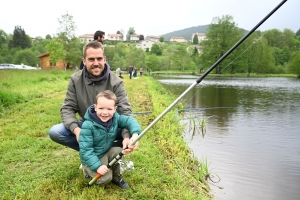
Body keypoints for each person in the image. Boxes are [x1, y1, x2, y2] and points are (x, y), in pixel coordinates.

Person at [49, 41, 136, 166]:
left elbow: (125, 112)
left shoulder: (116, 82)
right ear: (84, 61)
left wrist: (127, 136)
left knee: (132, 132)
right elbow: (67, 108)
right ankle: (91, 154)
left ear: (104, 59)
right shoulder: (75, 80)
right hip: (87, 127)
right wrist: (77, 131)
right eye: (91, 59)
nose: (96, 63)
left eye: (99, 59)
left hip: (112, 127)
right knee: (55, 132)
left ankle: (108, 154)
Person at [79, 90, 141, 188]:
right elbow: (86, 150)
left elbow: (129, 120)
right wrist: (97, 166)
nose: (105, 112)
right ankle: (87, 170)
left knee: (119, 151)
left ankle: (116, 177)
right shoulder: (88, 125)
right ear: (95, 108)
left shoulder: (115, 118)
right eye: (101, 108)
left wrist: (135, 134)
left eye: (109, 109)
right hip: (92, 156)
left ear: (115, 109)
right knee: (105, 179)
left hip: (105, 151)